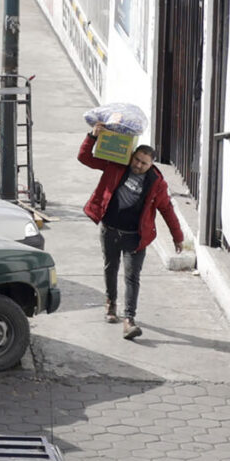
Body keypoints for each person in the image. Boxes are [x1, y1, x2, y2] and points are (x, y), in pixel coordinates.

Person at [78, 135, 186, 339]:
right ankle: (110, 305)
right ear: (132, 155)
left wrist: (177, 236)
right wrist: (92, 136)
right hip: (110, 230)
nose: (138, 165)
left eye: (144, 163)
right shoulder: (117, 164)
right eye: (136, 159)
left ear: (151, 164)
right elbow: (85, 157)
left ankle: (129, 320)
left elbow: (167, 210)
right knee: (111, 267)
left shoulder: (157, 184)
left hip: (135, 237)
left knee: (132, 277)